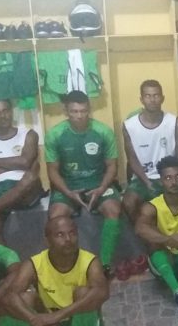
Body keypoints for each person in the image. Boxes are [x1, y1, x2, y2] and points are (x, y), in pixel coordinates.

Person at [5, 216, 109, 326]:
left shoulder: (90, 261)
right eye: (60, 235)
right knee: (24, 298)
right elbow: (10, 296)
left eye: (72, 233)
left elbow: (103, 293)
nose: (68, 239)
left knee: (84, 293)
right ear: (47, 240)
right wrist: (37, 322)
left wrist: (58, 316)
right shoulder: (34, 264)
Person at [45, 91, 122, 274]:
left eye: (83, 111)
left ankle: (104, 264)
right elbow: (52, 170)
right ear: (66, 111)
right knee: (56, 217)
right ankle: (68, 263)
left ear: (89, 110)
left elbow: (112, 166)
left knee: (114, 210)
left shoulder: (103, 132)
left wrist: (101, 188)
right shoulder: (55, 134)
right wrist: (69, 193)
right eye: (74, 111)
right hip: (68, 187)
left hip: (99, 184)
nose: (79, 116)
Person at [135, 155, 178, 321]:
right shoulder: (153, 205)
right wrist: (169, 240)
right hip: (169, 259)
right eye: (168, 178)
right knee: (152, 244)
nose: (174, 182)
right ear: (161, 181)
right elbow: (140, 228)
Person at [0, 100, 43, 242]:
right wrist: (17, 163)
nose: (3, 116)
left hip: (26, 190)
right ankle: (5, 257)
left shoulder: (29, 135)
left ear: (11, 112)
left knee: (29, 179)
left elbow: (26, 162)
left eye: (5, 111)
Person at [122, 79, 178, 223]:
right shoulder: (129, 126)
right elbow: (132, 159)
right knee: (128, 202)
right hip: (142, 177)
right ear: (141, 99)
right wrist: (147, 182)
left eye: (156, 95)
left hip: (169, 176)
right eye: (148, 96)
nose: (152, 99)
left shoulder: (176, 124)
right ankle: (140, 232)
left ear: (162, 98)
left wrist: (172, 179)